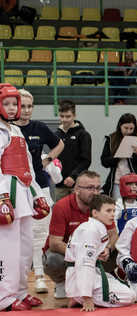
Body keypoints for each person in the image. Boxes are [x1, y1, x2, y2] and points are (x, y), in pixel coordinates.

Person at [0, 83, 49, 311]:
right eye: (6, 104)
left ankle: (20, 291)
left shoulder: (16, 131)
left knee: (25, 249)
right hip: (7, 195)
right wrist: (2, 199)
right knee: (7, 250)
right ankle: (4, 298)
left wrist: (38, 195)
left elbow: (28, 166)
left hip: (24, 192)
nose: (11, 109)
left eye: (14, 104)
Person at [15, 89, 65, 293]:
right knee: (15, 235)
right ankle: (16, 282)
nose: (26, 111)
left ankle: (40, 276)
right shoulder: (7, 129)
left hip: (40, 185)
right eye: (22, 106)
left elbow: (59, 144)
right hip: (15, 187)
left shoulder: (40, 127)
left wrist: (47, 160)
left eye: (29, 106)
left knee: (39, 233)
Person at [43, 171, 118, 298]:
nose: (95, 192)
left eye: (97, 188)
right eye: (90, 188)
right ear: (77, 189)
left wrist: (108, 248)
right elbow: (55, 243)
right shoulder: (61, 207)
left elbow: (113, 234)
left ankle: (98, 279)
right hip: (69, 255)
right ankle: (61, 283)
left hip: (94, 254)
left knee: (118, 252)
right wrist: (84, 254)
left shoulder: (101, 205)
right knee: (53, 260)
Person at [64, 194, 136, 311]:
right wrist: (87, 297)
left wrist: (102, 253)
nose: (112, 214)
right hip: (80, 276)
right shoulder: (90, 231)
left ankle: (78, 295)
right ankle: (80, 297)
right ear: (95, 213)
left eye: (113, 210)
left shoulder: (95, 227)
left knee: (128, 288)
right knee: (130, 296)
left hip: (91, 273)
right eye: (108, 211)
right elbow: (85, 263)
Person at [100, 113, 137, 198]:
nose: (128, 131)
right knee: (118, 207)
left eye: (131, 128)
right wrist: (118, 157)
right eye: (125, 128)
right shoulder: (111, 139)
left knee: (133, 207)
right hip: (117, 182)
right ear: (120, 126)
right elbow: (104, 162)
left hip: (134, 182)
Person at [53, 100, 92, 202]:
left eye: (68, 116)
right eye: (62, 116)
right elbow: (53, 158)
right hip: (60, 185)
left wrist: (73, 176)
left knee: (77, 215)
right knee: (61, 215)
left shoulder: (83, 135)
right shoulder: (56, 135)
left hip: (78, 185)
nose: (64, 119)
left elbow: (86, 161)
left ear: (74, 115)